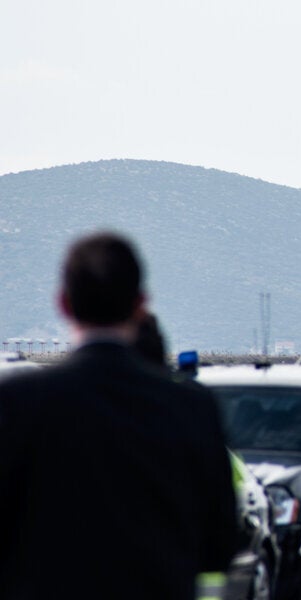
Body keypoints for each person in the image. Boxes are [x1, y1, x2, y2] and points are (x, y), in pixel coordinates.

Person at [0, 231, 238, 600]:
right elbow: (219, 545)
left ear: (63, 303)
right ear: (141, 304)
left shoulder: (17, 402)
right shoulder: (191, 406)